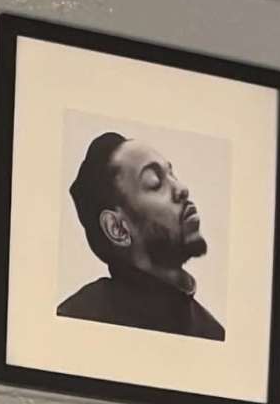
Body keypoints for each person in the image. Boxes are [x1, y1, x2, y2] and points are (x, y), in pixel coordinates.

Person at [57, 131, 223, 340]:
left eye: (173, 175)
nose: (182, 189)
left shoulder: (212, 332)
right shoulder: (77, 321)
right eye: (155, 182)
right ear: (118, 228)